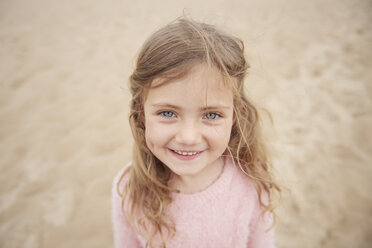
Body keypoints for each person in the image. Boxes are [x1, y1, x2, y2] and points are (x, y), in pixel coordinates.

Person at [112, 17, 281, 248]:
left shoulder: (252, 182)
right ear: (141, 113)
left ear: (235, 116)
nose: (188, 137)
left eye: (211, 115)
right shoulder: (128, 188)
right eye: (168, 113)